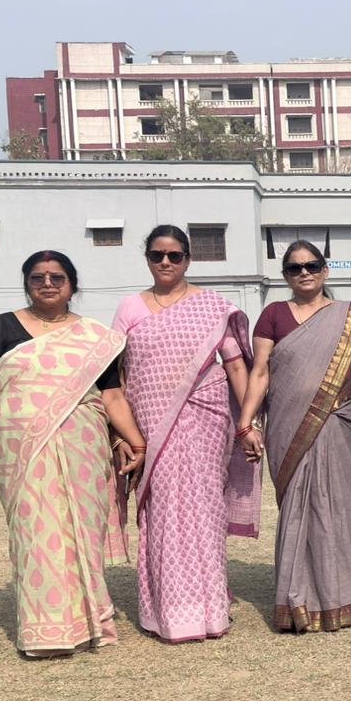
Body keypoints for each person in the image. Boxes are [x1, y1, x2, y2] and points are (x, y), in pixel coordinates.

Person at [0, 251, 145, 657]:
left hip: (81, 448)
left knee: (81, 534)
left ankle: (88, 624)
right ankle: (46, 632)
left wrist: (135, 440)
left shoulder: (96, 338)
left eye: (57, 277)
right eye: (38, 278)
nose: (48, 284)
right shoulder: (1, 327)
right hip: (22, 451)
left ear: (72, 284)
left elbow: (113, 395)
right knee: (36, 535)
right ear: (27, 283)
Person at [112, 225, 261, 643]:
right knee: (161, 513)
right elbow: (118, 376)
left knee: (205, 509)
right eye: (158, 255)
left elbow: (234, 366)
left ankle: (211, 608)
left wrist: (246, 422)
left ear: (187, 260)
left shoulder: (212, 306)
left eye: (174, 256)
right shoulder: (129, 308)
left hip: (207, 416)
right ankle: (170, 611)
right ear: (147, 258)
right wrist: (122, 433)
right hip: (150, 425)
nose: (165, 262)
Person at [237, 241, 351, 633]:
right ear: (285, 275)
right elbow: (260, 372)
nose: (304, 273)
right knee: (297, 511)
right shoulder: (273, 315)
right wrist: (246, 423)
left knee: (340, 509)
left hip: (339, 421)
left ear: (325, 270)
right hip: (289, 428)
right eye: (294, 268)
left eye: (311, 265)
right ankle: (297, 598)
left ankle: (344, 595)